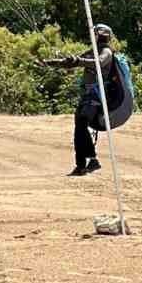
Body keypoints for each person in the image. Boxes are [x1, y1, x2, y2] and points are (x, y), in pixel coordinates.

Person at [40, 23, 121, 176]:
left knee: (83, 121)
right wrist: (49, 63)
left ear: (99, 36)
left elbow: (98, 63)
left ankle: (93, 160)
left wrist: (79, 60)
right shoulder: (92, 51)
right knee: (79, 129)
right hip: (87, 96)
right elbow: (71, 62)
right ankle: (81, 165)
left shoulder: (106, 52)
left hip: (97, 96)